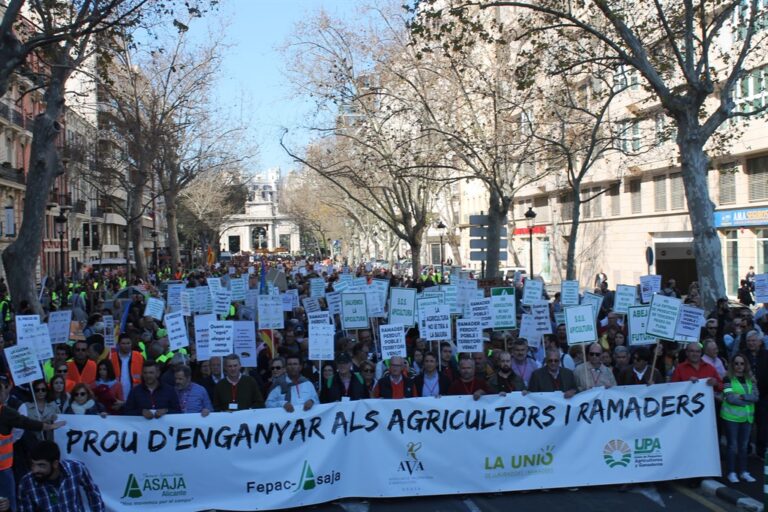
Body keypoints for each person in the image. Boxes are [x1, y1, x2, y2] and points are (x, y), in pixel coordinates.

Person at [0, 376, 65, 510]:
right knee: (8, 503)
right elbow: (26, 422)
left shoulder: (6, 412)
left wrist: (46, 427)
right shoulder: (5, 412)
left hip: (3, 470)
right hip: (3, 471)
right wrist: (48, 427)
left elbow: (26, 423)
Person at [17, 440, 105, 512]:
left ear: (55, 464)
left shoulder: (76, 468)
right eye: (32, 464)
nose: (35, 470)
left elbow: (93, 492)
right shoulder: (26, 483)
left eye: (41, 465)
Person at [721, 354, 759, 483]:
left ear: (745, 365)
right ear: (732, 365)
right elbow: (730, 398)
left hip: (747, 418)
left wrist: (741, 397)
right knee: (732, 446)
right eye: (736, 363)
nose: (739, 366)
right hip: (731, 418)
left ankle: (743, 471)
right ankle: (731, 472)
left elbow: (756, 396)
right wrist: (748, 398)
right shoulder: (727, 378)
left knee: (743, 446)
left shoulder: (750, 379)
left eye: (742, 363)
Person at [110, 334, 144, 401]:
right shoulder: (112, 358)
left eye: (128, 343)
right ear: (118, 344)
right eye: (123, 343)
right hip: (116, 396)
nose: (126, 346)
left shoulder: (138, 356)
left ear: (131, 344)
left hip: (135, 395)